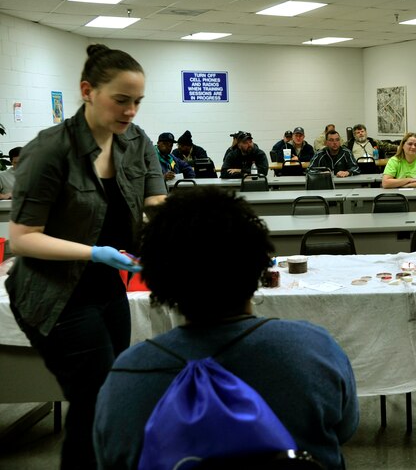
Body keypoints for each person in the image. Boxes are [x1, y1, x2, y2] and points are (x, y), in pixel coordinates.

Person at [94, 186, 359, 470]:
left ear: (158, 278)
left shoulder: (126, 376)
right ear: (259, 266)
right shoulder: (315, 350)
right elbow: (345, 430)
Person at [5, 44, 167, 469]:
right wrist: (95, 252)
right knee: (95, 396)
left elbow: (155, 201)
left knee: (110, 393)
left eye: (137, 101)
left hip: (105, 288)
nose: (131, 111)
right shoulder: (49, 150)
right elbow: (21, 239)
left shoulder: (135, 141)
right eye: (121, 99)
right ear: (88, 91)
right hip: (51, 292)